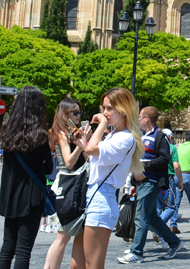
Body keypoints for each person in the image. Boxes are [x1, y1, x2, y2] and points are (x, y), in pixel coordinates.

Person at [79, 87, 143, 269]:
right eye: (104, 108)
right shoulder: (114, 136)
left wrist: (100, 126)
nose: (104, 113)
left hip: (102, 199)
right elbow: (92, 160)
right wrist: (82, 142)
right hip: (96, 196)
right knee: (86, 262)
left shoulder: (125, 138)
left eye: (109, 109)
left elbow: (92, 150)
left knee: (93, 264)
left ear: (124, 110)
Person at [0, 86, 53, 269]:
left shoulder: (7, 133)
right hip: (31, 199)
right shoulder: (39, 136)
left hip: (10, 196)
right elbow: (49, 168)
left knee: (7, 248)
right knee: (23, 251)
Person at [118, 107, 182, 263]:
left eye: (140, 116)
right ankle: (175, 242)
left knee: (141, 217)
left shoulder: (159, 137)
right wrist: (133, 182)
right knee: (152, 218)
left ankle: (137, 252)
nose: (138, 119)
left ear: (146, 118)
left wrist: (145, 166)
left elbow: (164, 159)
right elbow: (137, 162)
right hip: (141, 182)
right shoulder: (143, 136)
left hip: (150, 182)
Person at [43, 98, 87, 269]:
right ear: (64, 113)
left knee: (65, 236)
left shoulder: (70, 132)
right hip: (67, 185)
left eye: (79, 112)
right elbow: (68, 162)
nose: (78, 116)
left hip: (73, 185)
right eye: (74, 112)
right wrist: (80, 145)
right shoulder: (62, 133)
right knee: (62, 237)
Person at [156, 128, 183, 234]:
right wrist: (180, 181)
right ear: (170, 137)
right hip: (168, 178)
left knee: (158, 207)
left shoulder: (156, 147)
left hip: (157, 178)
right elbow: (176, 166)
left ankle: (159, 231)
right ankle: (158, 226)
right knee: (171, 206)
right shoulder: (172, 147)